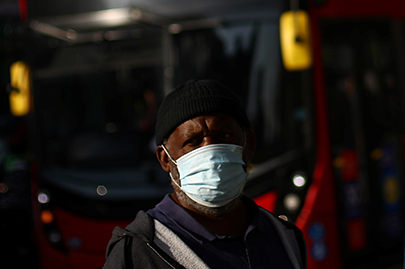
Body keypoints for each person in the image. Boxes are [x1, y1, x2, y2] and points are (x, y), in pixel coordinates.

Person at [103, 79, 306, 269]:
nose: (212, 152)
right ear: (165, 159)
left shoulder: (285, 238)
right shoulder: (138, 252)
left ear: (248, 144)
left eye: (224, 136)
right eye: (192, 141)